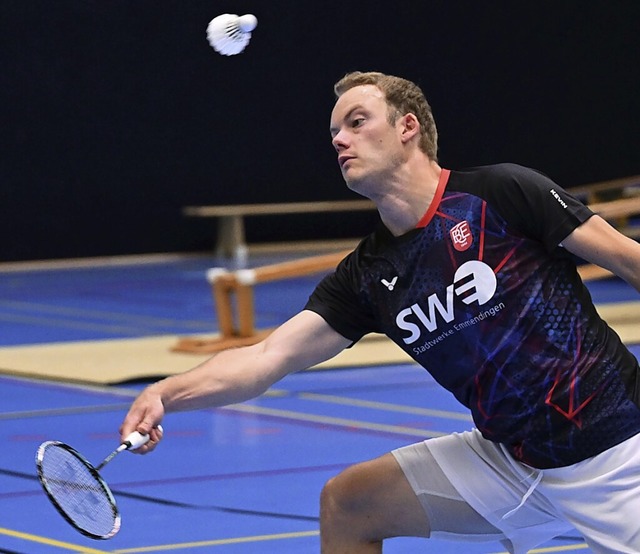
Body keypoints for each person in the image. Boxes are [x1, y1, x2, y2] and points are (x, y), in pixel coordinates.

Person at [120, 71, 640, 553]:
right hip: (512, 461)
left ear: (407, 127)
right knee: (348, 504)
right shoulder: (368, 275)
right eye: (334, 132)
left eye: (356, 122)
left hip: (618, 450)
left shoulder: (500, 194)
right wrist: (166, 393)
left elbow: (628, 259)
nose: (339, 140)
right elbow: (266, 357)